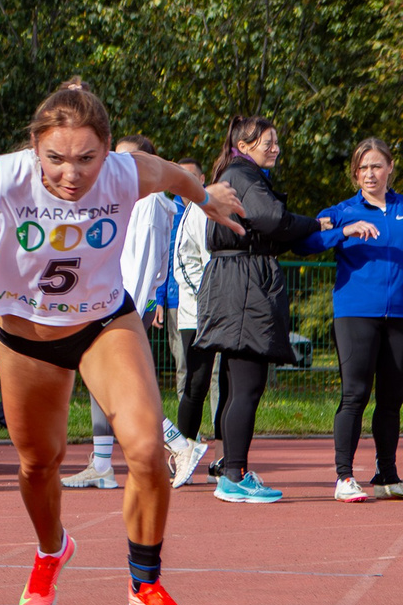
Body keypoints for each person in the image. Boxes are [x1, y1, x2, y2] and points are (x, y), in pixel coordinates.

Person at [0, 81, 243, 605]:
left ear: (109, 149)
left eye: (87, 159)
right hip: (24, 337)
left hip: (102, 323)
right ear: (34, 148)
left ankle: (145, 584)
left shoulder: (128, 172)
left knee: (146, 447)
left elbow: (175, 175)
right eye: (57, 159)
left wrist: (206, 199)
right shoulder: (2, 178)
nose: (71, 174)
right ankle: (52, 550)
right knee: (39, 464)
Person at [62, 136, 207, 492]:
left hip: (120, 306)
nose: (115, 164)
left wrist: (123, 312)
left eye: (125, 158)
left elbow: (141, 267)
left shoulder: (150, 203)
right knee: (102, 384)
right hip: (109, 304)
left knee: (120, 388)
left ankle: (179, 443)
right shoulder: (131, 200)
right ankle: (101, 464)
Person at [195, 117, 318, 503]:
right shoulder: (243, 175)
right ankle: (234, 475)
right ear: (244, 146)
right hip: (244, 287)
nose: (276, 148)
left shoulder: (237, 174)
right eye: (269, 142)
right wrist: (314, 222)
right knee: (247, 386)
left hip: (236, 282)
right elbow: (273, 219)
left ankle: (232, 471)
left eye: (277, 141)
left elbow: (263, 230)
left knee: (236, 386)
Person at [307, 138, 403, 501]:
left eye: (376, 166)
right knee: (355, 394)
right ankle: (345, 477)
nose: (369, 174)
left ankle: (387, 476)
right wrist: (342, 231)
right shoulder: (343, 210)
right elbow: (305, 243)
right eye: (362, 168)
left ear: (390, 168)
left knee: (393, 399)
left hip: (399, 316)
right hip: (355, 314)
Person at [171, 193, 215, 459]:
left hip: (231, 313)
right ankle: (183, 453)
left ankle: (224, 461)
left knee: (228, 384)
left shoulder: (248, 206)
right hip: (196, 313)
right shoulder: (197, 211)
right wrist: (210, 295)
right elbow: (185, 261)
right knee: (196, 383)